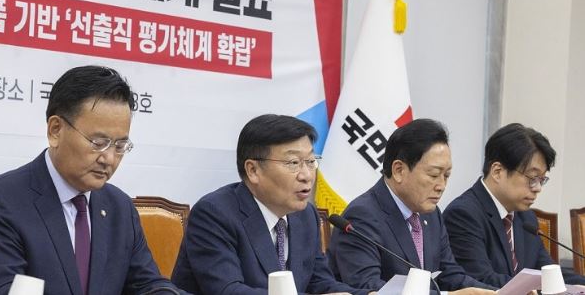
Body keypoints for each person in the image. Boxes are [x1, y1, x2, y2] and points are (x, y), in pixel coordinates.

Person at [0, 65, 185, 295]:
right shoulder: (1, 202)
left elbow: (147, 285)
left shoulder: (119, 207)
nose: (109, 158)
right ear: (55, 130)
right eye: (98, 143)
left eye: (120, 146)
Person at [171, 114, 370, 295]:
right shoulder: (214, 214)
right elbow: (229, 291)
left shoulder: (305, 216)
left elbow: (320, 282)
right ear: (253, 170)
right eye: (293, 163)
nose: (307, 175)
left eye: (310, 161)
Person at [327, 118, 495, 294]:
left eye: (446, 176)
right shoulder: (362, 216)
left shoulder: (431, 214)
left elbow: (450, 275)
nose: (441, 186)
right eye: (434, 175)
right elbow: (369, 286)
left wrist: (499, 293)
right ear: (399, 170)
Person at [443, 123, 585, 287]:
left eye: (541, 180)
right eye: (532, 178)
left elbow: (548, 274)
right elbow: (480, 280)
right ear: (497, 172)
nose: (538, 188)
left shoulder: (526, 218)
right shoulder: (463, 215)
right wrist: (537, 289)